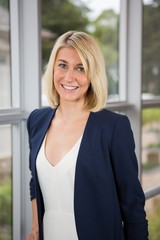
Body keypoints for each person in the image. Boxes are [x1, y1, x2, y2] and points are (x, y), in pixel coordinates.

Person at [27, 31, 148, 240]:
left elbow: (132, 204)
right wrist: (36, 228)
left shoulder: (113, 127)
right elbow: (35, 181)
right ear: (53, 68)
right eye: (62, 65)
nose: (69, 77)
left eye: (80, 68)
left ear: (93, 75)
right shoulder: (37, 120)